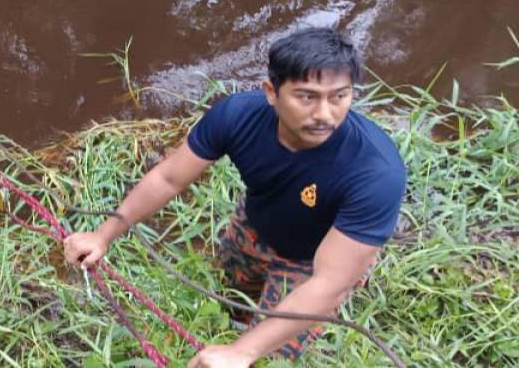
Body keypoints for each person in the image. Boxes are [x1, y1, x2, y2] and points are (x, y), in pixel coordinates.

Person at [62, 27, 407, 367]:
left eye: (339, 96)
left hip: (312, 261)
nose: (324, 114)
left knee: (268, 354)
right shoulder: (237, 116)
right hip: (253, 226)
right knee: (233, 295)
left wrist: (243, 352)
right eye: (307, 96)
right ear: (271, 92)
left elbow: (330, 282)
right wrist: (103, 235)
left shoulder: (375, 173)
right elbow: (168, 178)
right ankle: (235, 326)